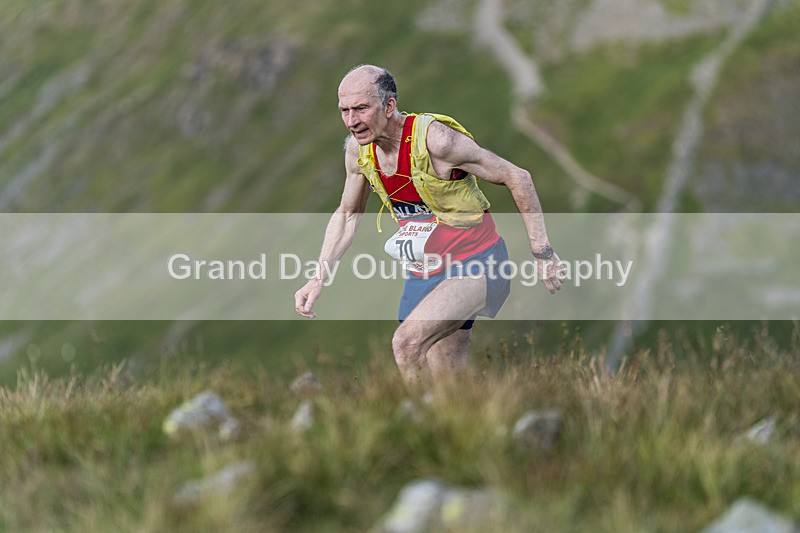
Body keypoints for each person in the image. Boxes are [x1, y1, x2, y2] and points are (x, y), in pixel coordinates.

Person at [294, 65, 562, 390]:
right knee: (449, 385)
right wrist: (318, 277)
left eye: (362, 109)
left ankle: (419, 426)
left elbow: (517, 177)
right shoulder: (358, 151)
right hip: (424, 272)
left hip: (476, 263)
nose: (352, 121)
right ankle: (461, 429)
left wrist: (543, 253)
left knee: (405, 344)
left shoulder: (438, 141)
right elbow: (349, 214)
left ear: (389, 106)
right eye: (345, 111)